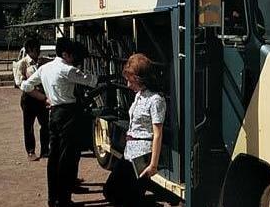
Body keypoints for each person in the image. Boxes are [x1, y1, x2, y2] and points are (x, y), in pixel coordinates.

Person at [21, 37, 102, 207]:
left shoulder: (45, 68)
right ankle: (64, 200)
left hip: (54, 114)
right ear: (65, 54)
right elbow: (92, 81)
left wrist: (45, 98)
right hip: (69, 115)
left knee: (54, 158)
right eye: (72, 56)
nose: (74, 59)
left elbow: (26, 86)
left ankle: (53, 198)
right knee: (67, 159)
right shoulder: (67, 70)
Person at [104, 53, 166, 207]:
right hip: (129, 152)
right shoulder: (139, 95)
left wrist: (153, 165)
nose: (128, 85)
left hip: (141, 156)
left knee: (128, 198)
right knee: (111, 191)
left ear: (140, 80)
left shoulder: (156, 100)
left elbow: (157, 134)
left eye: (131, 81)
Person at [15, 37, 49, 161]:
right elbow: (20, 83)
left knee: (45, 124)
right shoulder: (22, 64)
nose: (38, 52)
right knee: (28, 126)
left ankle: (45, 149)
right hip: (29, 99)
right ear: (29, 50)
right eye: (36, 49)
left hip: (41, 98)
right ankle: (31, 151)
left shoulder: (42, 62)